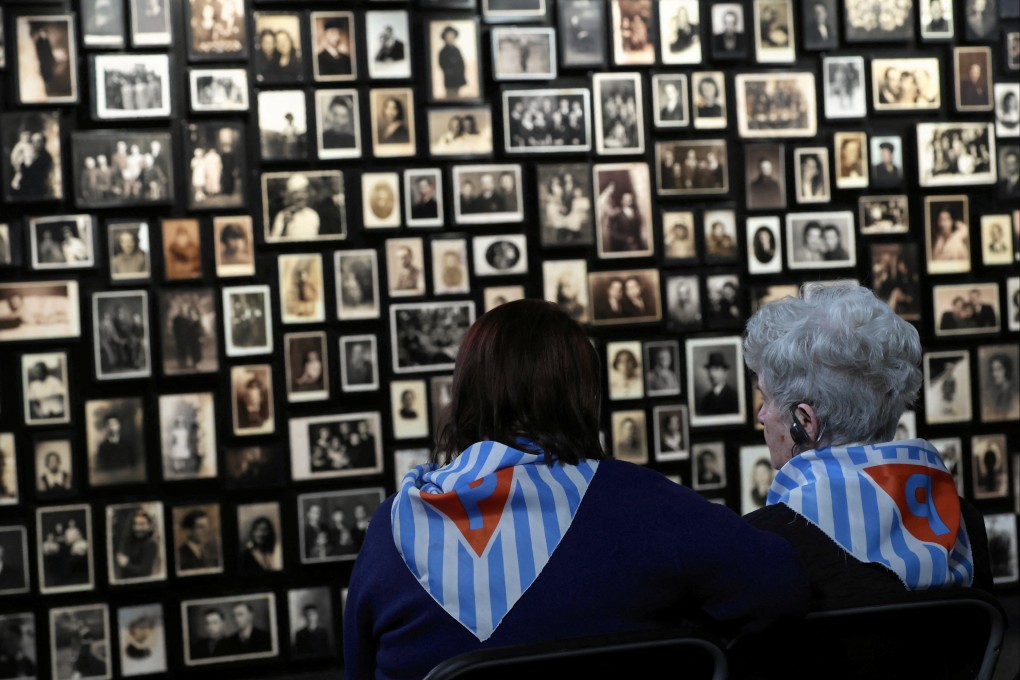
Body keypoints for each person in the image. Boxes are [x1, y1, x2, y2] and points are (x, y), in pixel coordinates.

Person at [343, 300, 808, 678]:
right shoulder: (638, 501)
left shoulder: (392, 528)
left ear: (464, 392)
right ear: (583, 396)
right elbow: (780, 586)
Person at [741, 283, 992, 609]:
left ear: (805, 422)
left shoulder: (768, 541)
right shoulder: (966, 523)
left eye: (766, 399)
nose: (761, 415)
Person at [114, 509, 159, 580]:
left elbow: (145, 572)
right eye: (135, 524)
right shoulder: (133, 541)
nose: (138, 528)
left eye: (142, 524)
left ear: (149, 526)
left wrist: (126, 564)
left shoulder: (151, 544)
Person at [437, 26, 466, 99]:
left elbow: (461, 63)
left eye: (452, 37)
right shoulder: (443, 51)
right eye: (448, 37)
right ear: (445, 38)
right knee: (450, 95)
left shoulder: (456, 50)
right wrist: (449, 71)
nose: (450, 38)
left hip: (458, 77)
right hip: (450, 78)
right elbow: (442, 64)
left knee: (457, 95)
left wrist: (460, 72)